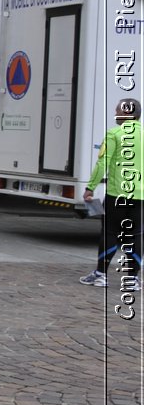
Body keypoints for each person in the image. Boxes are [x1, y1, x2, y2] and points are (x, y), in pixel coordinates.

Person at [81, 97, 142, 288]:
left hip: (117, 193)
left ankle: (101, 275)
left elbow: (102, 164)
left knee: (110, 233)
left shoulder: (113, 134)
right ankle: (132, 279)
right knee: (136, 235)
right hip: (140, 195)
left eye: (117, 110)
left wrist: (90, 187)